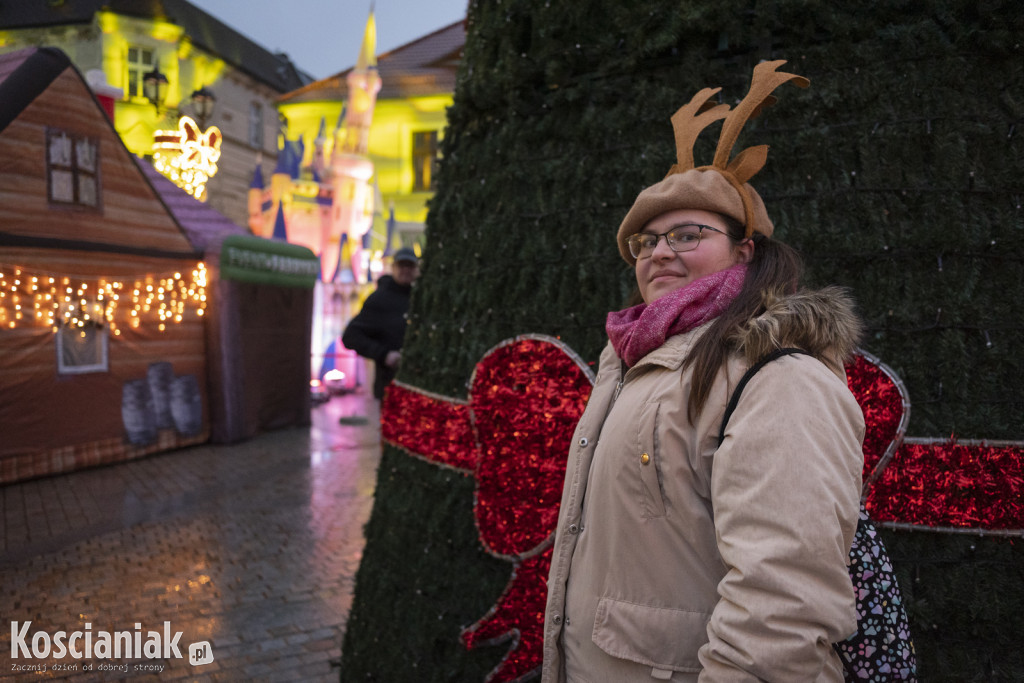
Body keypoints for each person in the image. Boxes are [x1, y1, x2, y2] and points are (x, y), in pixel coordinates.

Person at [542, 61, 865, 682]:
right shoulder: (630, 362)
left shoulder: (778, 378)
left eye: (688, 234)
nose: (659, 251)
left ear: (745, 250)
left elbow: (783, 613)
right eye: (646, 241)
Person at [342, 246, 420, 399]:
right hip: (390, 387)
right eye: (401, 265)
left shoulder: (421, 298)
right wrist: (384, 354)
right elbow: (351, 336)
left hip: (418, 388)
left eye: (409, 266)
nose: (405, 270)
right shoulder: (380, 300)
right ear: (393, 268)